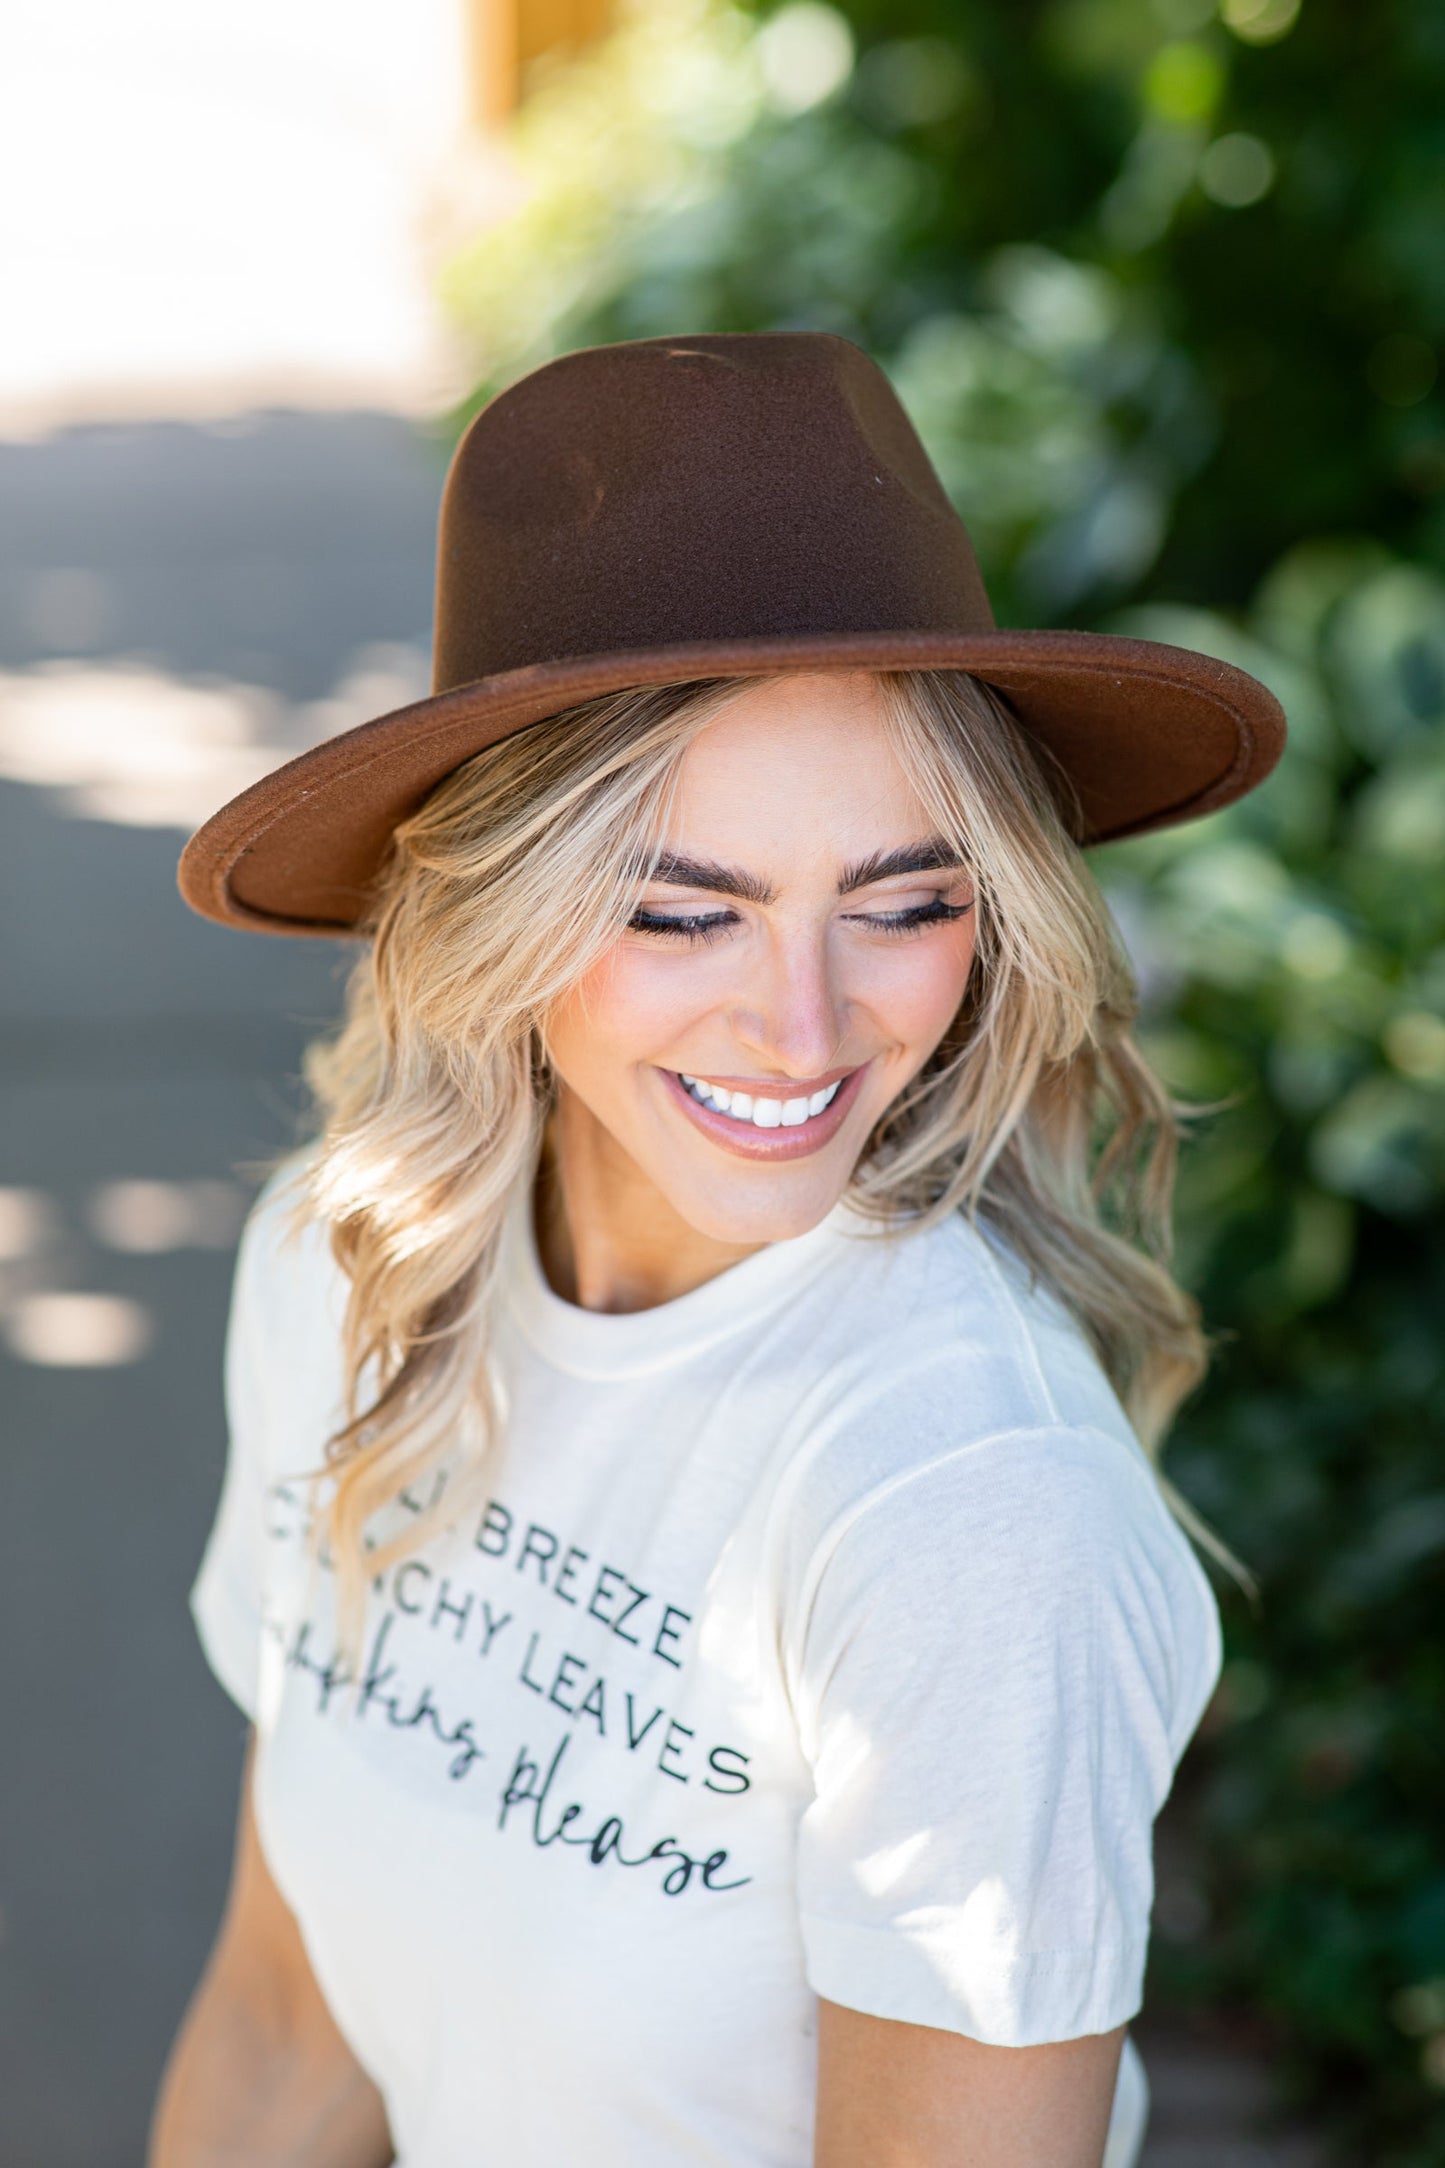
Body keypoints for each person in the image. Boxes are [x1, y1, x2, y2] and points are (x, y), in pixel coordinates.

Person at [150, 332, 1286, 2168]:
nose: (805, 1021)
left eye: (907, 901)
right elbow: (290, 2022)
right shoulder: (345, 1272)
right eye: (686, 910)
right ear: (491, 918)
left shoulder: (967, 1511)